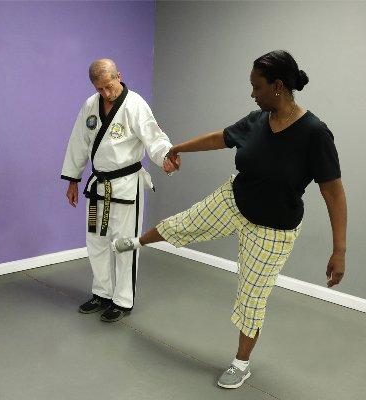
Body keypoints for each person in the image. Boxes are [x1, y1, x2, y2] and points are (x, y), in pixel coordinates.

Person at [113, 50, 347, 388]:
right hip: (234, 199)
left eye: (257, 87)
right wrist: (176, 149)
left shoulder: (314, 133)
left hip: (273, 230)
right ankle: (136, 242)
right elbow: (219, 138)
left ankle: (241, 363)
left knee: (252, 297)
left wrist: (339, 249)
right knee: (184, 222)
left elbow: (334, 193)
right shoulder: (257, 120)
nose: (252, 93)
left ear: (278, 86)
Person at [61, 59, 179, 322]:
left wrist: (166, 157)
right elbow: (78, 143)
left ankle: (122, 300)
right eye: (100, 88)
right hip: (97, 188)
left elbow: (154, 137)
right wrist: (73, 180)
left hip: (126, 186)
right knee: (97, 242)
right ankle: (102, 293)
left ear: (119, 76)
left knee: (124, 244)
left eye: (109, 85)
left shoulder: (135, 104)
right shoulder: (90, 106)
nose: (106, 93)